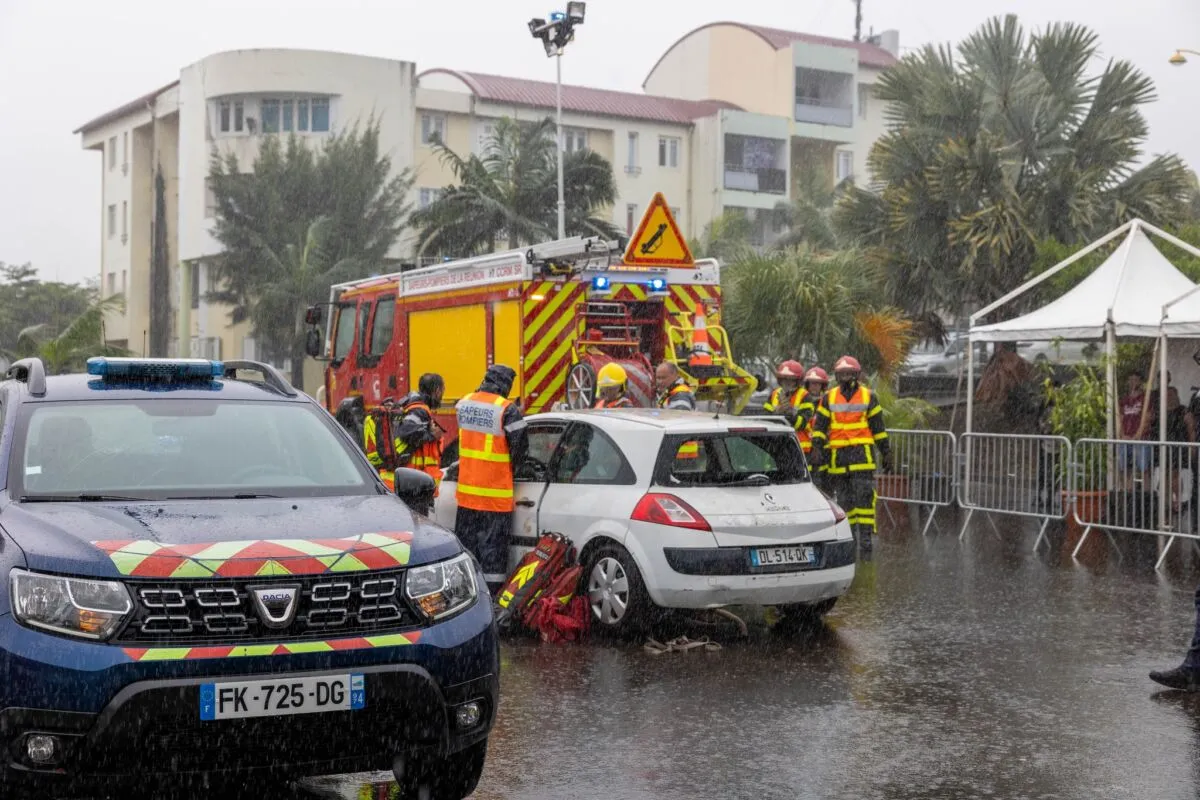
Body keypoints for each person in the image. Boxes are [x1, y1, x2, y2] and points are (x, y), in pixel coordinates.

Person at [455, 365, 528, 595]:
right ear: (504, 385)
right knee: (493, 558)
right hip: (494, 499)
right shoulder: (507, 409)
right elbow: (520, 447)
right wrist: (516, 469)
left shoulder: (464, 403)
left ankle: (468, 597)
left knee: (468, 553)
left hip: (467, 497)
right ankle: (491, 601)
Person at [810, 355, 890, 552]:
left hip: (862, 458)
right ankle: (851, 539)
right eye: (842, 374)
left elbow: (878, 428)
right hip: (839, 460)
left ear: (856, 375)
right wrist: (817, 448)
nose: (846, 377)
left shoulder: (868, 396)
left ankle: (865, 540)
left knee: (864, 500)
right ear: (837, 376)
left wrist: (886, 452)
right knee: (845, 502)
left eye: (849, 374)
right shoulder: (829, 397)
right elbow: (820, 426)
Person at [394, 373, 446, 496]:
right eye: (442, 391)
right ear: (437, 391)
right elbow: (406, 432)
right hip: (413, 483)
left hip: (412, 480)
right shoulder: (419, 409)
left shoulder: (416, 405)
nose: (442, 395)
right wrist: (432, 435)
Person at [763, 361, 810, 447]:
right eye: (784, 378)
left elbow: (802, 424)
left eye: (791, 379)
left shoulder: (805, 396)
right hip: (776, 444)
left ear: (797, 381)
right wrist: (777, 413)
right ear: (780, 380)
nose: (787, 382)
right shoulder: (774, 394)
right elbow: (765, 420)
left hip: (798, 446)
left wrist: (789, 413)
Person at [1118, 370, 1150, 490]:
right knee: (1124, 468)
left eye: (1135, 380)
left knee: (1143, 469)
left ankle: (1146, 495)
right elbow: (1120, 418)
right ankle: (1127, 492)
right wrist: (1122, 435)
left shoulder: (1145, 398)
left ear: (1140, 382)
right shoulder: (1124, 399)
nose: (1133, 382)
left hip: (1141, 439)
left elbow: (1147, 418)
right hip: (1125, 438)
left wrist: (1136, 436)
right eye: (1131, 380)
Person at [362, 396, 400, 491]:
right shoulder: (377, 419)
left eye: (390, 406)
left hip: (376, 460)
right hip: (379, 460)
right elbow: (379, 440)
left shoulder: (375, 418)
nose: (389, 408)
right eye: (387, 406)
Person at [803, 366, 831, 493]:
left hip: (823, 449)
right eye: (812, 383)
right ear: (807, 385)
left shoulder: (827, 402)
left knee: (824, 484)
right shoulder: (802, 401)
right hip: (806, 449)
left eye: (817, 384)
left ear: (822, 386)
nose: (814, 387)